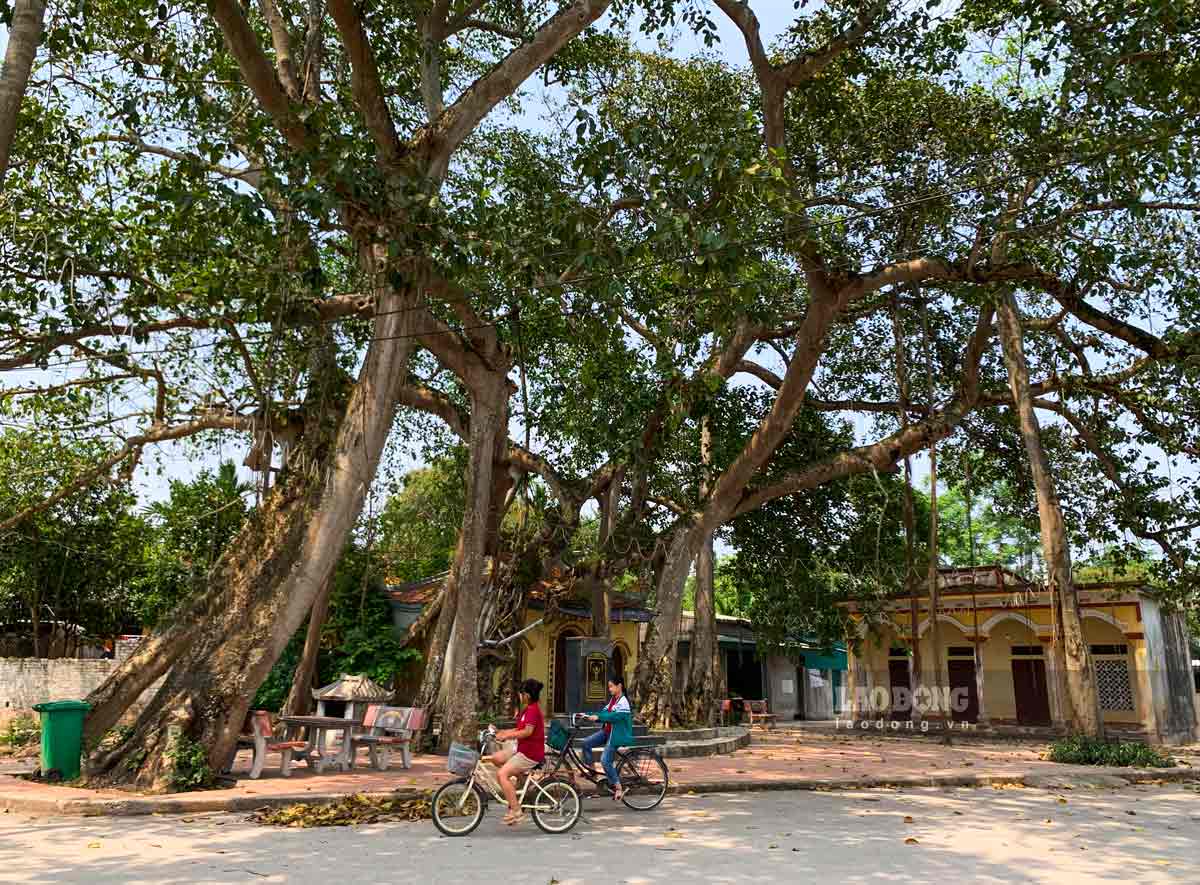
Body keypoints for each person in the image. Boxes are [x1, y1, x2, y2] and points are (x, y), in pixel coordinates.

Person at [489, 678, 545, 825]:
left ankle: (516, 810)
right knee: (496, 759)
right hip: (521, 749)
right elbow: (518, 729)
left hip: (530, 754)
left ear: (526, 695)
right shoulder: (526, 710)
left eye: (521, 693)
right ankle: (518, 783)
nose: (519, 696)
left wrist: (507, 736)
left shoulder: (533, 711)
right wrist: (501, 732)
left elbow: (527, 732)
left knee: (502, 774)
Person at [584, 673, 633, 802]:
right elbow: (604, 712)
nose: (609, 689)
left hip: (616, 735)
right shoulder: (613, 700)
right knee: (586, 743)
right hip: (607, 732)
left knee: (605, 761)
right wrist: (588, 715)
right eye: (609, 687)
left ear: (619, 686)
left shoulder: (623, 702)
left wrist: (599, 717)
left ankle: (618, 788)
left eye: (611, 686)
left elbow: (613, 717)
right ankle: (593, 772)